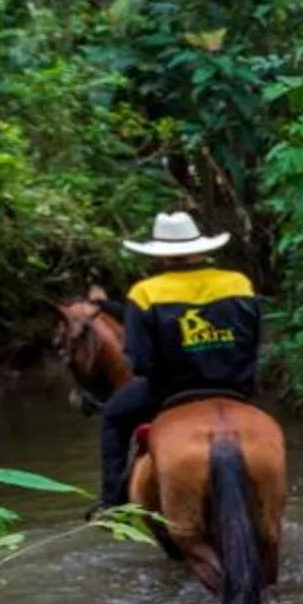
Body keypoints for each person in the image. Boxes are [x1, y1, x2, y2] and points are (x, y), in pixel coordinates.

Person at [95, 211, 263, 513]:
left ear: (161, 255)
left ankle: (112, 503)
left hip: (170, 390)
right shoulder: (238, 283)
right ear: (199, 247)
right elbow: (252, 341)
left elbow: (142, 362)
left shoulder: (145, 293)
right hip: (235, 385)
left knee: (113, 417)